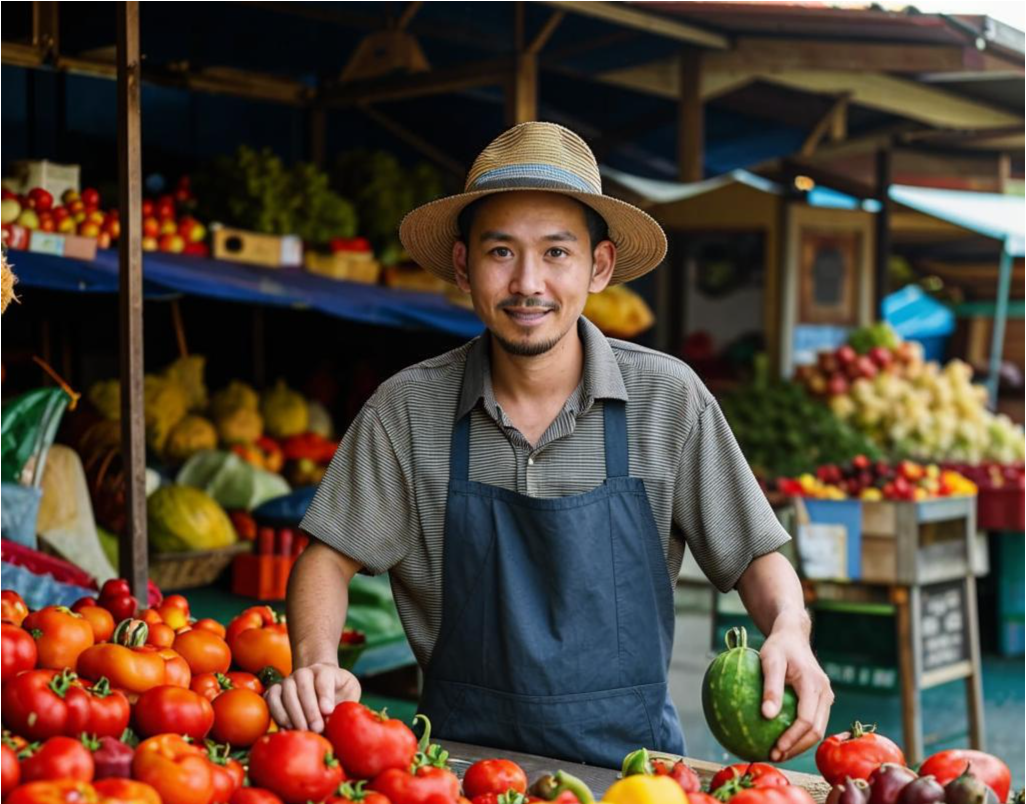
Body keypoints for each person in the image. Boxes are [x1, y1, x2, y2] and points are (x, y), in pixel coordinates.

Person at [266, 121, 833, 769]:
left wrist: (790, 628)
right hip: (455, 780)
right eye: (501, 251)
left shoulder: (668, 400)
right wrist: (317, 665)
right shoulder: (407, 410)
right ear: (462, 264)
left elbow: (758, 557)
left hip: (634, 777)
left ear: (599, 266)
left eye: (557, 253)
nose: (528, 283)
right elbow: (326, 559)